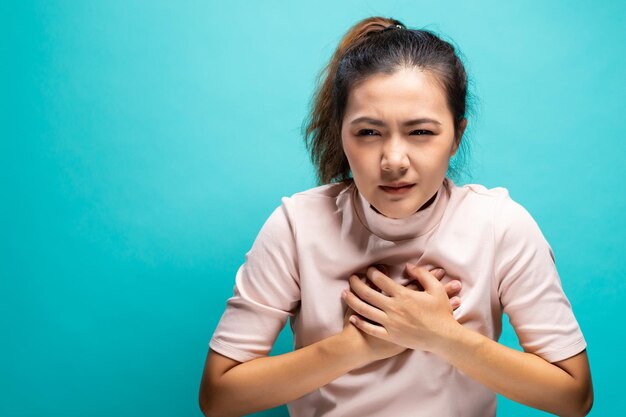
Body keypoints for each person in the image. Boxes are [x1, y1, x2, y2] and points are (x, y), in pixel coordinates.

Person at [198, 16, 593, 417]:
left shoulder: (500, 225)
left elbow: (573, 396)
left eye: (421, 132)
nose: (393, 161)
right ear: (340, 134)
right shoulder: (297, 224)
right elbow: (220, 396)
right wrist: (359, 345)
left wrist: (442, 337)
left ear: (457, 136)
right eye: (368, 133)